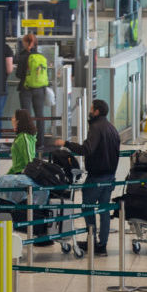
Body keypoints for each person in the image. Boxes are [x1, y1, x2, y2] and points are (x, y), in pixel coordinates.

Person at [54, 99, 120, 256]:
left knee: (87, 207)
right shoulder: (112, 128)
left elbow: (86, 149)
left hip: (97, 177)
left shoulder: (96, 128)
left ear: (96, 111)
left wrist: (66, 143)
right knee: (104, 211)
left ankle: (91, 240)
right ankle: (102, 245)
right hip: (110, 176)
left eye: (91, 109)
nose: (90, 111)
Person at [16, 34, 48, 148]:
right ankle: (41, 143)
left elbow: (18, 74)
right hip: (40, 90)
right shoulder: (40, 56)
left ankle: (27, 143)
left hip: (26, 89)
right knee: (40, 115)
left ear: (26, 43)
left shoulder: (23, 56)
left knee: (26, 116)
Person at [7, 109, 38, 175]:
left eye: (14, 117)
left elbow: (29, 159)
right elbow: (17, 164)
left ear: (18, 121)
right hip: (19, 173)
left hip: (23, 174)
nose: (12, 119)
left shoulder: (23, 138)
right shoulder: (20, 137)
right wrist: (8, 175)